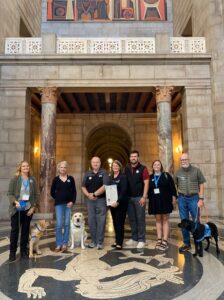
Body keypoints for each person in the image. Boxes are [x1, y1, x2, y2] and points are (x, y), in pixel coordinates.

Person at [174, 153, 206, 253]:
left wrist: (201, 198)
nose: (184, 161)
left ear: (189, 160)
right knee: (184, 222)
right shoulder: (177, 172)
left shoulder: (197, 170)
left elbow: (201, 184)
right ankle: (187, 243)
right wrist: (177, 197)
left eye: (185, 159)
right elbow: (175, 185)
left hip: (194, 198)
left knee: (196, 221)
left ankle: (199, 242)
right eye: (182, 160)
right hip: (182, 198)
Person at [7, 161, 39, 262]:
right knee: (15, 231)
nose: (26, 167)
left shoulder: (32, 180)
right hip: (16, 208)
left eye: (27, 166)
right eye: (23, 166)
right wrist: (15, 202)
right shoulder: (15, 179)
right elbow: (10, 193)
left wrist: (33, 207)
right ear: (20, 168)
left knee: (25, 231)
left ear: (29, 168)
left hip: (28, 209)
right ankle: (12, 252)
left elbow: (37, 195)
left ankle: (23, 251)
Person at [81, 156, 109, 249]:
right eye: (94, 162)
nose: (95, 164)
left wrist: (94, 194)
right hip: (90, 201)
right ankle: (93, 241)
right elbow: (83, 186)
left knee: (101, 221)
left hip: (101, 200)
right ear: (91, 163)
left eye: (97, 162)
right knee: (91, 221)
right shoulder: (87, 173)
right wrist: (88, 195)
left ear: (100, 163)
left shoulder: (104, 173)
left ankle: (100, 242)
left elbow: (105, 186)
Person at [148, 160, 177, 250]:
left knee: (165, 219)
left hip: (165, 201)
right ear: (152, 166)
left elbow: (172, 187)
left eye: (158, 164)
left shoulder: (166, 175)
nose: (156, 166)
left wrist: (174, 197)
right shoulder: (150, 177)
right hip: (155, 201)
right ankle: (159, 239)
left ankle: (165, 240)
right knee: (157, 220)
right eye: (155, 164)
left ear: (161, 166)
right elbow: (147, 189)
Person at [125, 150, 149, 249]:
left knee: (140, 219)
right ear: (130, 158)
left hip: (139, 198)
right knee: (132, 219)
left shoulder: (143, 168)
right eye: (131, 156)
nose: (133, 158)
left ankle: (141, 239)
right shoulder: (126, 168)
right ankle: (134, 238)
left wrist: (144, 197)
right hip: (129, 198)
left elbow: (146, 183)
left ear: (138, 157)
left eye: (135, 156)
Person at [51, 161, 76, 252]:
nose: (63, 169)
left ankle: (65, 243)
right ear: (59, 168)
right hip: (59, 205)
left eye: (65, 167)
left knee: (66, 224)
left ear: (67, 169)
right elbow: (52, 192)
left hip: (68, 204)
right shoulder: (56, 179)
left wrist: (72, 202)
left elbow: (74, 192)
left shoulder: (71, 178)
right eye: (61, 167)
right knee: (58, 224)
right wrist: (58, 198)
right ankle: (59, 244)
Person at [108, 160, 128, 250]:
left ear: (120, 167)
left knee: (120, 223)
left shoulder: (123, 177)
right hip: (112, 204)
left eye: (116, 166)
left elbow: (124, 191)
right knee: (115, 223)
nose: (115, 167)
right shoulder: (111, 177)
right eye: (113, 166)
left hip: (120, 204)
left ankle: (120, 243)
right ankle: (116, 240)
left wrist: (118, 201)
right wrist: (110, 202)